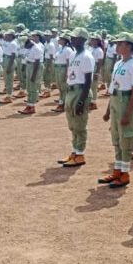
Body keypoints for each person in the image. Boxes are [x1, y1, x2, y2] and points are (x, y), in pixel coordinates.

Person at [99, 32, 133, 187]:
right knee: (116, 138)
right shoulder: (118, 64)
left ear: (129, 46)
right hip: (116, 100)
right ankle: (117, 170)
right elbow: (112, 89)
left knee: (126, 139)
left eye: (120, 44)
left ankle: (125, 173)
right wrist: (108, 111)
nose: (116, 46)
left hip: (126, 101)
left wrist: (128, 113)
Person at [57, 28, 95, 167]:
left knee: (80, 124)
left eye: (75, 38)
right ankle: (74, 151)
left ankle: (80, 154)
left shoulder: (87, 56)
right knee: (72, 125)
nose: (72, 40)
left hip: (81, 91)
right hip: (71, 90)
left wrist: (81, 100)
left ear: (83, 40)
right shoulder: (73, 55)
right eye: (72, 38)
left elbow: (88, 80)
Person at [18, 32, 44, 115]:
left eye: (25, 45)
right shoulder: (29, 47)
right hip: (29, 66)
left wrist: (33, 75)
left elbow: (37, 63)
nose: (25, 47)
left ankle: (31, 106)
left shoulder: (36, 48)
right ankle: (29, 105)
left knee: (32, 87)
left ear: (29, 42)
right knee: (29, 87)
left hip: (34, 68)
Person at [52, 32, 74, 113]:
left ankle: (63, 104)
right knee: (60, 87)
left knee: (64, 87)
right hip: (58, 68)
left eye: (61, 39)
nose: (59, 40)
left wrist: (67, 73)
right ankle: (61, 102)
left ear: (65, 40)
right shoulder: (60, 48)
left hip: (63, 68)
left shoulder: (68, 50)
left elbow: (69, 62)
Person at [0, 30, 18, 105]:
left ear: (11, 36)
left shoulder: (13, 43)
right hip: (5, 59)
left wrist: (9, 66)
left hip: (9, 60)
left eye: (7, 35)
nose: (5, 36)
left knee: (9, 79)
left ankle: (9, 96)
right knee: (6, 78)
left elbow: (13, 56)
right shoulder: (7, 42)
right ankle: (7, 94)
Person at [88, 34, 104, 110]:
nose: (92, 41)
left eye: (94, 40)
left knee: (94, 86)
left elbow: (100, 62)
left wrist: (97, 72)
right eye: (92, 40)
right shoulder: (91, 49)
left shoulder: (99, 50)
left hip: (95, 67)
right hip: (90, 66)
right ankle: (91, 101)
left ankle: (93, 102)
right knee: (90, 85)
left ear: (97, 41)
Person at [40, 30, 56, 99]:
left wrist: (49, 66)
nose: (46, 37)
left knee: (48, 76)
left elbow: (51, 56)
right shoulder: (46, 43)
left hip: (49, 61)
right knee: (45, 76)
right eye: (45, 36)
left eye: (47, 36)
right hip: (46, 60)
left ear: (50, 36)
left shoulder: (51, 45)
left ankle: (48, 91)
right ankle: (47, 89)